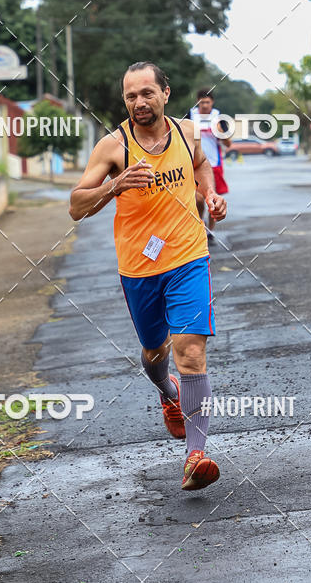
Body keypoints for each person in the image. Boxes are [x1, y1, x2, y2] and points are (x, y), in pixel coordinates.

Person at [69, 62, 227, 491]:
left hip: (188, 255)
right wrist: (113, 187)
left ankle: (196, 455)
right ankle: (167, 393)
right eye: (131, 96)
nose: (139, 102)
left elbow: (200, 167)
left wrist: (210, 195)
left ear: (165, 94)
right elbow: (76, 206)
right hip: (139, 268)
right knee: (154, 352)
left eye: (147, 93)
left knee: (190, 350)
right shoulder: (112, 146)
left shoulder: (187, 133)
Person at [188, 90, 230, 244]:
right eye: (202, 102)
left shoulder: (218, 117)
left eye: (207, 102)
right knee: (198, 199)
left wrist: (220, 132)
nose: (205, 105)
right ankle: (200, 224)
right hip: (194, 164)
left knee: (214, 200)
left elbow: (228, 144)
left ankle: (210, 231)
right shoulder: (190, 116)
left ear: (212, 102)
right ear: (198, 102)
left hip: (214, 164)